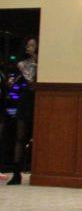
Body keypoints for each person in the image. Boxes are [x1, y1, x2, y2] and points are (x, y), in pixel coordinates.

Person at [1, 37, 37, 185]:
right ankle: (17, 172)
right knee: (20, 136)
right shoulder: (22, 64)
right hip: (26, 98)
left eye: (32, 45)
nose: (28, 47)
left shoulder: (45, 62)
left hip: (39, 98)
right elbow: (26, 81)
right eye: (27, 45)